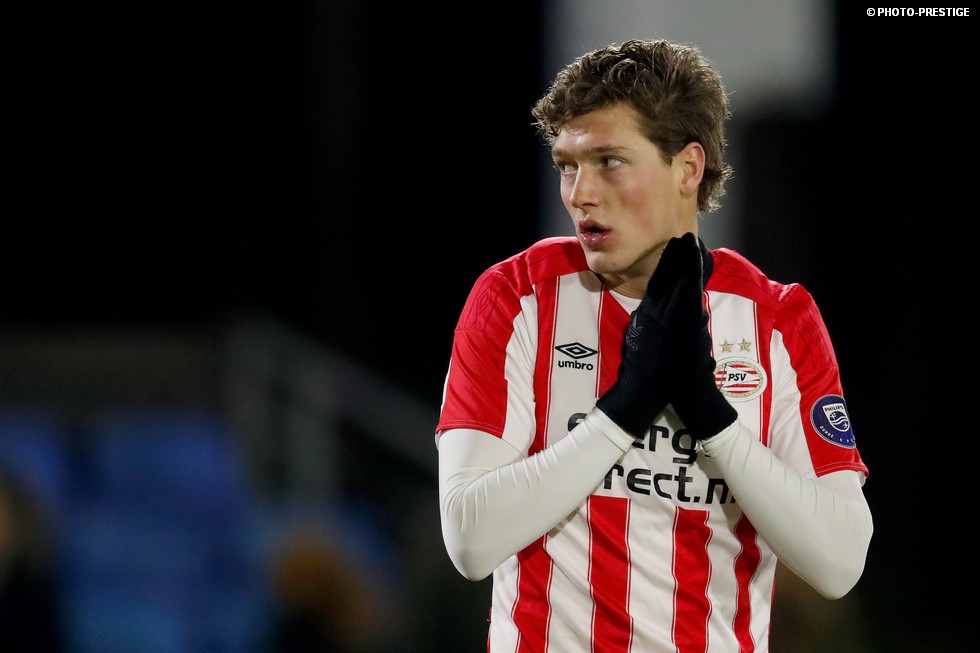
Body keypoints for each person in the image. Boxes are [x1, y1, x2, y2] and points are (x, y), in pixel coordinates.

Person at [435, 38, 873, 652]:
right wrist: (628, 406)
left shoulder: (777, 320)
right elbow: (470, 539)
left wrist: (709, 415)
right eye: (567, 165)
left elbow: (840, 562)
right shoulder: (516, 297)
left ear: (687, 168)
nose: (580, 193)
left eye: (609, 161)